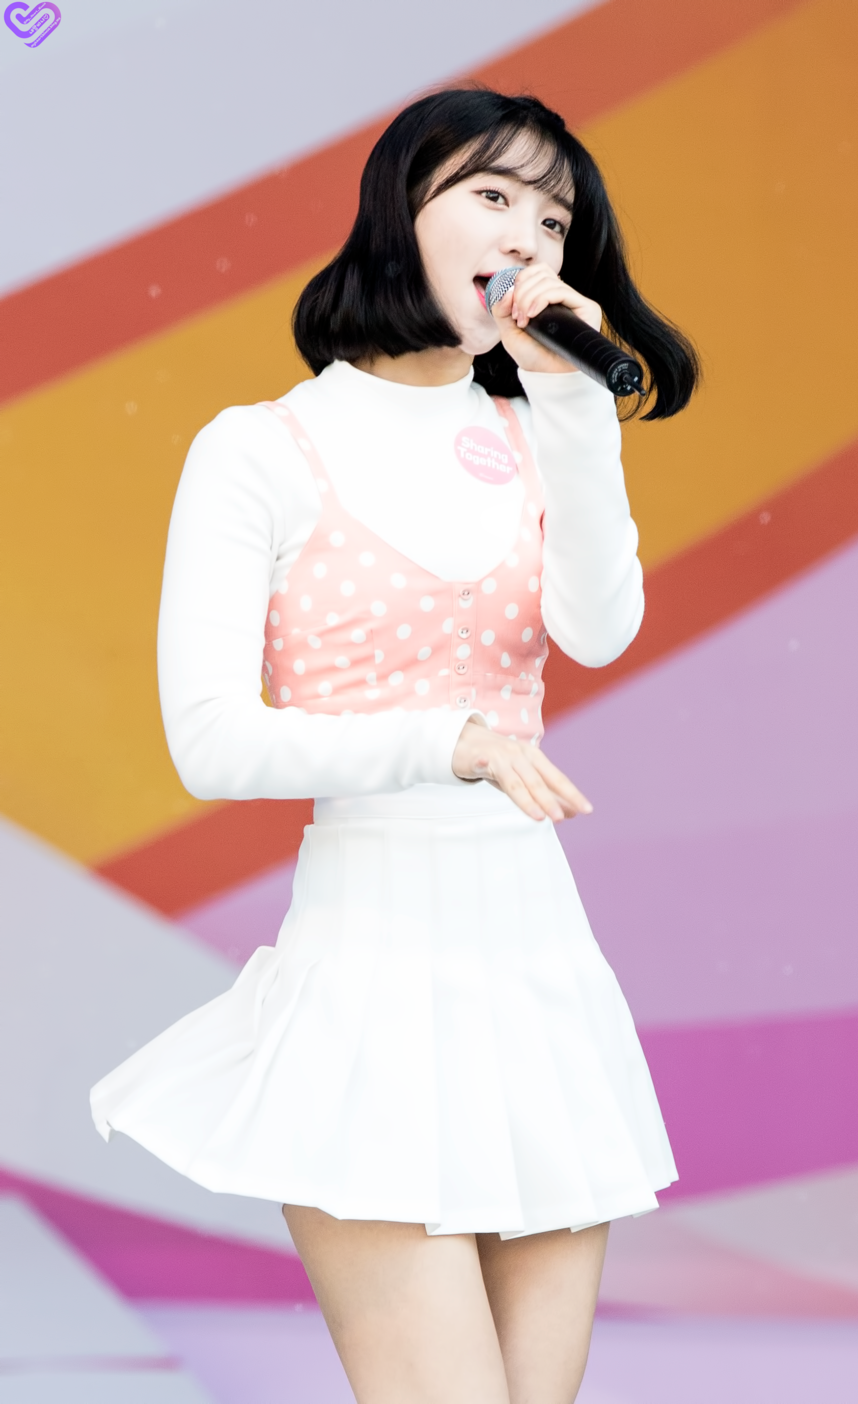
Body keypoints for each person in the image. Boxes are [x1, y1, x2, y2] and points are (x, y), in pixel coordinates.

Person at [91, 88, 698, 1404]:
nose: (530, 237)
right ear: (400, 212)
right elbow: (211, 743)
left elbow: (599, 631)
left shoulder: (537, 432)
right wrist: (448, 742)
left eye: (557, 220)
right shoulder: (262, 450)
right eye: (495, 197)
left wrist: (575, 409)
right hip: (369, 973)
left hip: (536, 966)